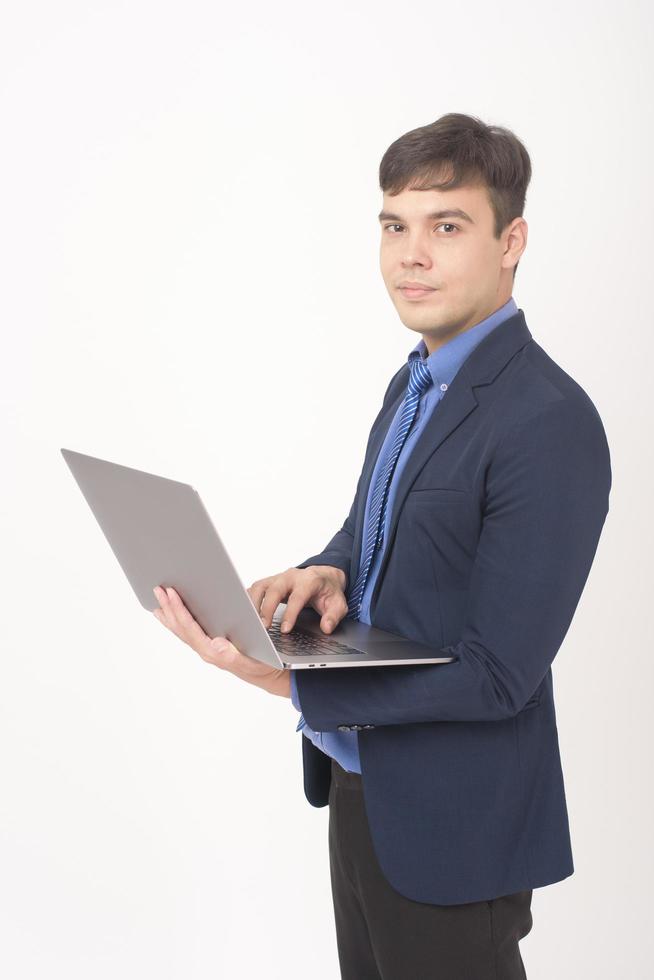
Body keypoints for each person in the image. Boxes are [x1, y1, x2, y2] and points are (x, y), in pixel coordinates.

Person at [153, 112, 612, 979]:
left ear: (511, 240)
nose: (412, 254)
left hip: (456, 833)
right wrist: (328, 569)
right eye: (394, 226)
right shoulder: (415, 384)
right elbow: (380, 529)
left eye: (446, 226)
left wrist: (285, 677)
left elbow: (499, 675)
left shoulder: (549, 423)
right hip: (364, 796)